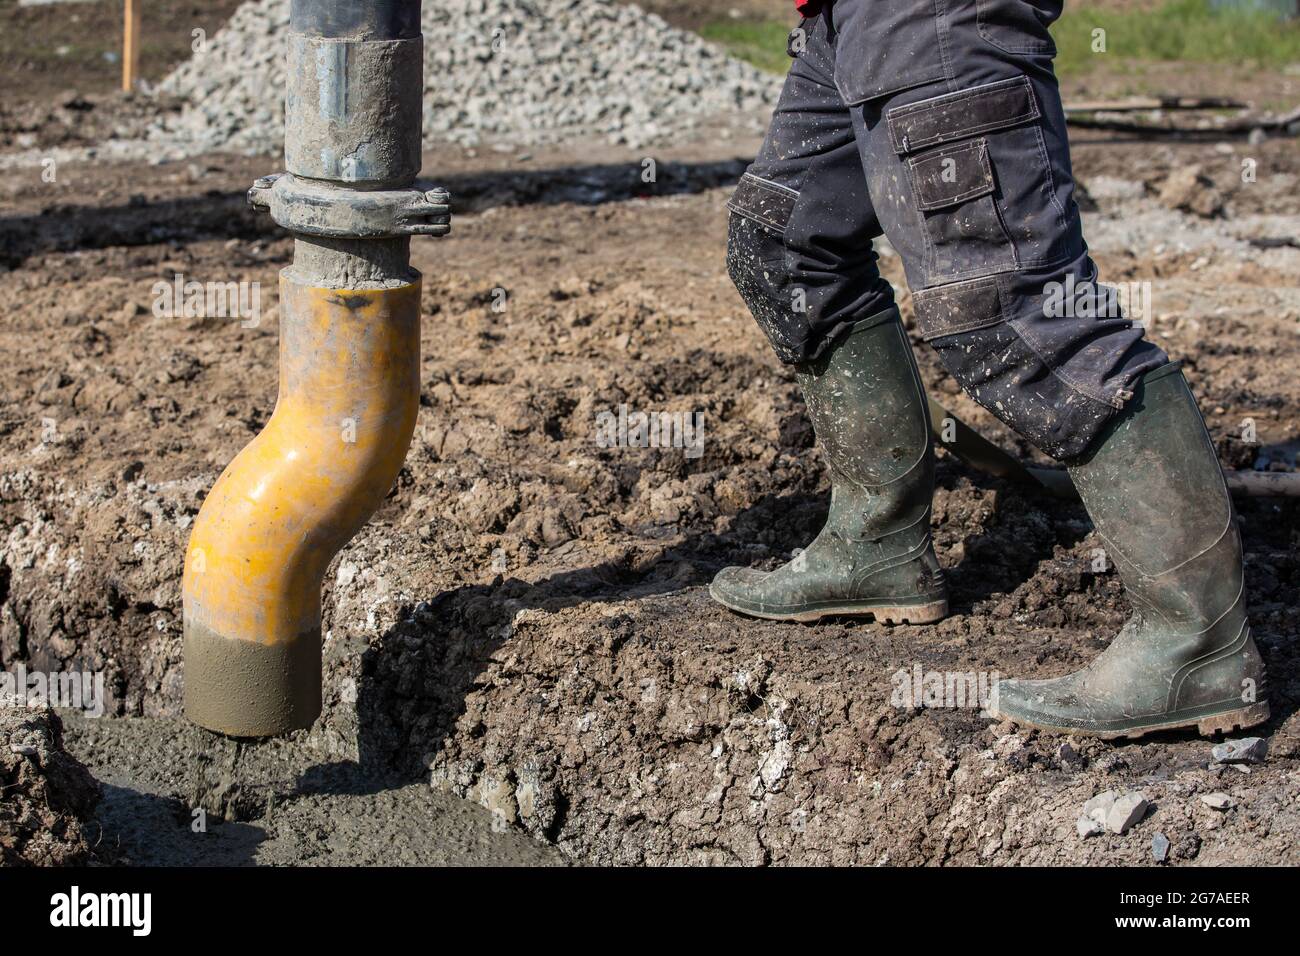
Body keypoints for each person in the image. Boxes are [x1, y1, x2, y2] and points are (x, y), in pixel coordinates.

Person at [710, 0, 1269, 739]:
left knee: (1012, 307)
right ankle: (876, 545)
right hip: (844, 22)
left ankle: (1198, 647)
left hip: (928, 16)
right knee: (784, 246)